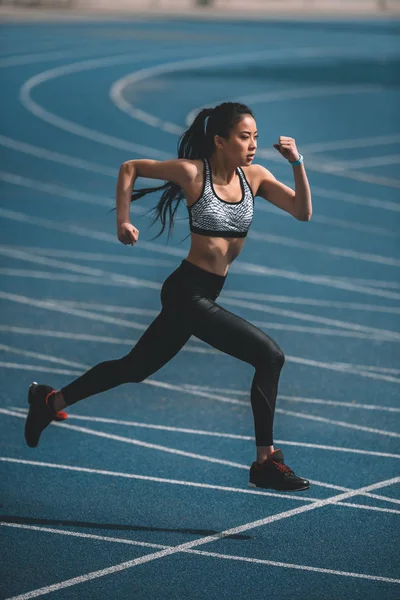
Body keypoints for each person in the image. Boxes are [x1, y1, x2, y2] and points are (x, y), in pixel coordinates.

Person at [24, 102, 312, 492]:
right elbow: (130, 168)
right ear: (220, 141)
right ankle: (265, 462)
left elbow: (301, 210)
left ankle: (49, 402)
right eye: (245, 137)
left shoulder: (254, 177)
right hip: (186, 293)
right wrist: (122, 221)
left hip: (204, 295)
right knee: (269, 356)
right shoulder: (193, 173)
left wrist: (297, 162)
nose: (253, 145)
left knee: (133, 368)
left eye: (256, 137)